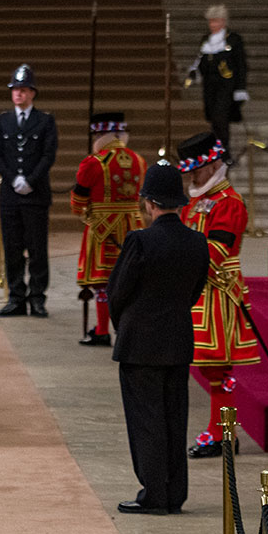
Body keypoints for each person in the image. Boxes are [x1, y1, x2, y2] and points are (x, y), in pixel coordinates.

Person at [107, 162, 209, 515]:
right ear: (179, 203)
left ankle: (153, 494)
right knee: (174, 417)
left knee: (146, 421)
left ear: (149, 203)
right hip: (178, 340)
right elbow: (195, 291)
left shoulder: (140, 240)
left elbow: (118, 292)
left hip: (140, 344)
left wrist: (126, 324)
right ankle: (174, 492)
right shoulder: (197, 242)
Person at [176, 132, 261, 458]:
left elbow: (217, 252)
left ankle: (224, 433)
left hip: (218, 292)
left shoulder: (229, 203)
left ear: (210, 165)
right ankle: (219, 431)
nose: (191, 177)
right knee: (208, 368)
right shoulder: (197, 200)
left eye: (195, 170)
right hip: (196, 290)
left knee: (218, 369)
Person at [70, 112, 146, 345]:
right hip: (134, 226)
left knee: (102, 283)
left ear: (100, 135)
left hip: (103, 229)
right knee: (130, 281)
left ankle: (103, 330)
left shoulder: (93, 163)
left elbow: (77, 203)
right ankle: (128, 331)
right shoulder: (139, 160)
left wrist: (86, 210)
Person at [0, 64, 59, 318]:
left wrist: (29, 180)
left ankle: (37, 298)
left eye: (22, 90)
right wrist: (13, 179)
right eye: (14, 90)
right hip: (10, 196)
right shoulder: (3, 121)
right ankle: (16, 297)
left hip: (36, 194)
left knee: (37, 249)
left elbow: (48, 155)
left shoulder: (45, 121)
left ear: (32, 92)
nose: (17, 94)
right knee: (13, 248)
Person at [185, 5, 248, 157]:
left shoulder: (234, 40)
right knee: (214, 122)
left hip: (227, 88)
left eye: (216, 21)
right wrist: (194, 73)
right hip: (210, 87)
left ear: (223, 22)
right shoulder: (205, 40)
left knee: (221, 119)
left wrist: (240, 88)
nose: (213, 25)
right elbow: (201, 62)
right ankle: (217, 153)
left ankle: (225, 154)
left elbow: (241, 65)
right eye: (211, 21)